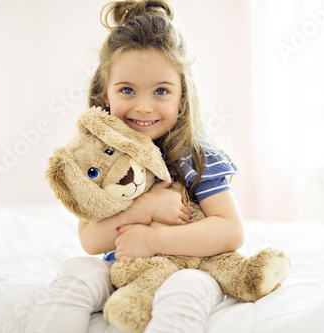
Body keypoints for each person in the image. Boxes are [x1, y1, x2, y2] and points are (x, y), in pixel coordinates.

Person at [24, 0, 243, 332]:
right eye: (127, 90)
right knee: (77, 271)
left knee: (188, 287)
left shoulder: (195, 157)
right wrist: (145, 208)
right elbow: (90, 241)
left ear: (182, 95)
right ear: (105, 94)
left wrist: (154, 242)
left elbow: (230, 231)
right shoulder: (97, 157)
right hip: (122, 270)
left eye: (161, 91)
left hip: (189, 269)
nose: (143, 107)